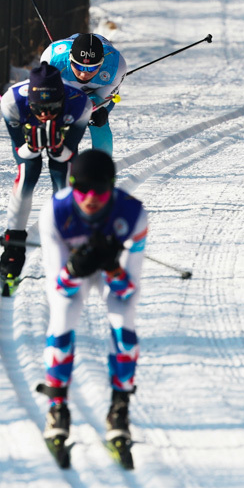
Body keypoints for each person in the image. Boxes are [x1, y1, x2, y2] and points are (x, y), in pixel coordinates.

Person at [34, 149, 148, 470]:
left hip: (111, 269)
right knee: (62, 317)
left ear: (112, 188)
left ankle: (119, 409)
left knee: (124, 324)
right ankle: (57, 406)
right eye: (81, 189)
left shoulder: (134, 215)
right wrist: (75, 267)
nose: (90, 198)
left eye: (99, 190)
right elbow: (59, 288)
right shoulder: (54, 213)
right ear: (71, 186)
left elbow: (128, 290)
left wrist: (112, 267)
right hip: (75, 270)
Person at [0, 63, 92, 295]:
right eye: (38, 108)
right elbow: (21, 151)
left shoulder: (81, 104)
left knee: (63, 177)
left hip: (63, 135)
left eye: (51, 108)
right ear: (30, 102)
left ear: (62, 100)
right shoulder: (11, 102)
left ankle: (67, 241)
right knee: (27, 174)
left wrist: (58, 148)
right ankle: (13, 247)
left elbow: (69, 152)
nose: (44, 114)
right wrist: (32, 145)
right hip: (27, 140)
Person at [40, 32, 126, 155]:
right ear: (70, 59)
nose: (84, 74)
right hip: (65, 88)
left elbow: (102, 98)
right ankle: (67, 163)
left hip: (98, 91)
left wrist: (97, 109)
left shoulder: (116, 66)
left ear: (101, 63)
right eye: (78, 66)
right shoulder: (52, 60)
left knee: (99, 121)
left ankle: (102, 166)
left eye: (91, 68)